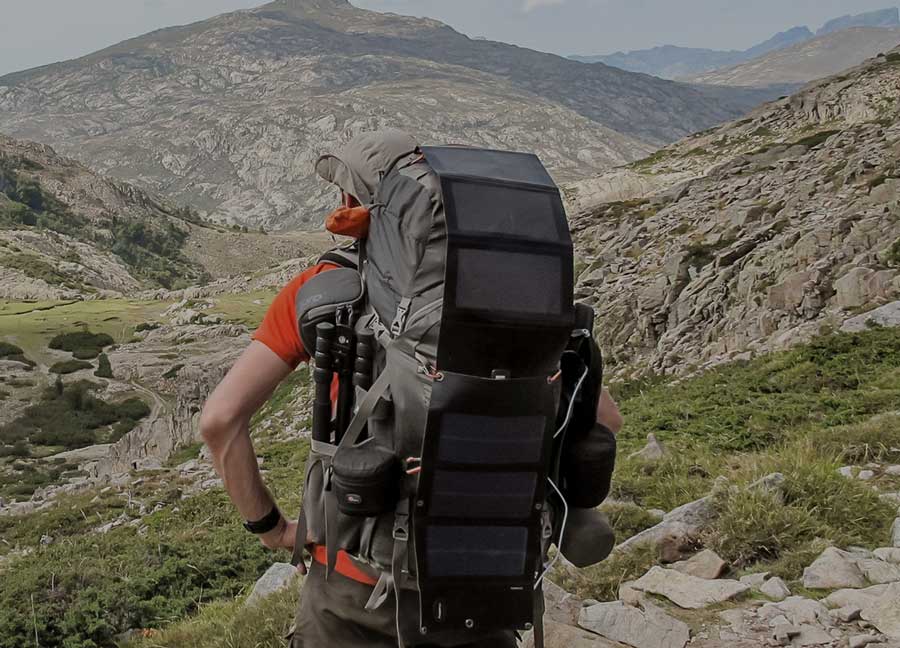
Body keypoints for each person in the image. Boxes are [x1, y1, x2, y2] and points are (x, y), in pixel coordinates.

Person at [199, 138, 623, 647]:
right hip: (483, 584)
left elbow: (220, 421)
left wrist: (272, 528)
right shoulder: (519, 305)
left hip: (353, 588)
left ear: (359, 207)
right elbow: (606, 421)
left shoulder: (323, 291)